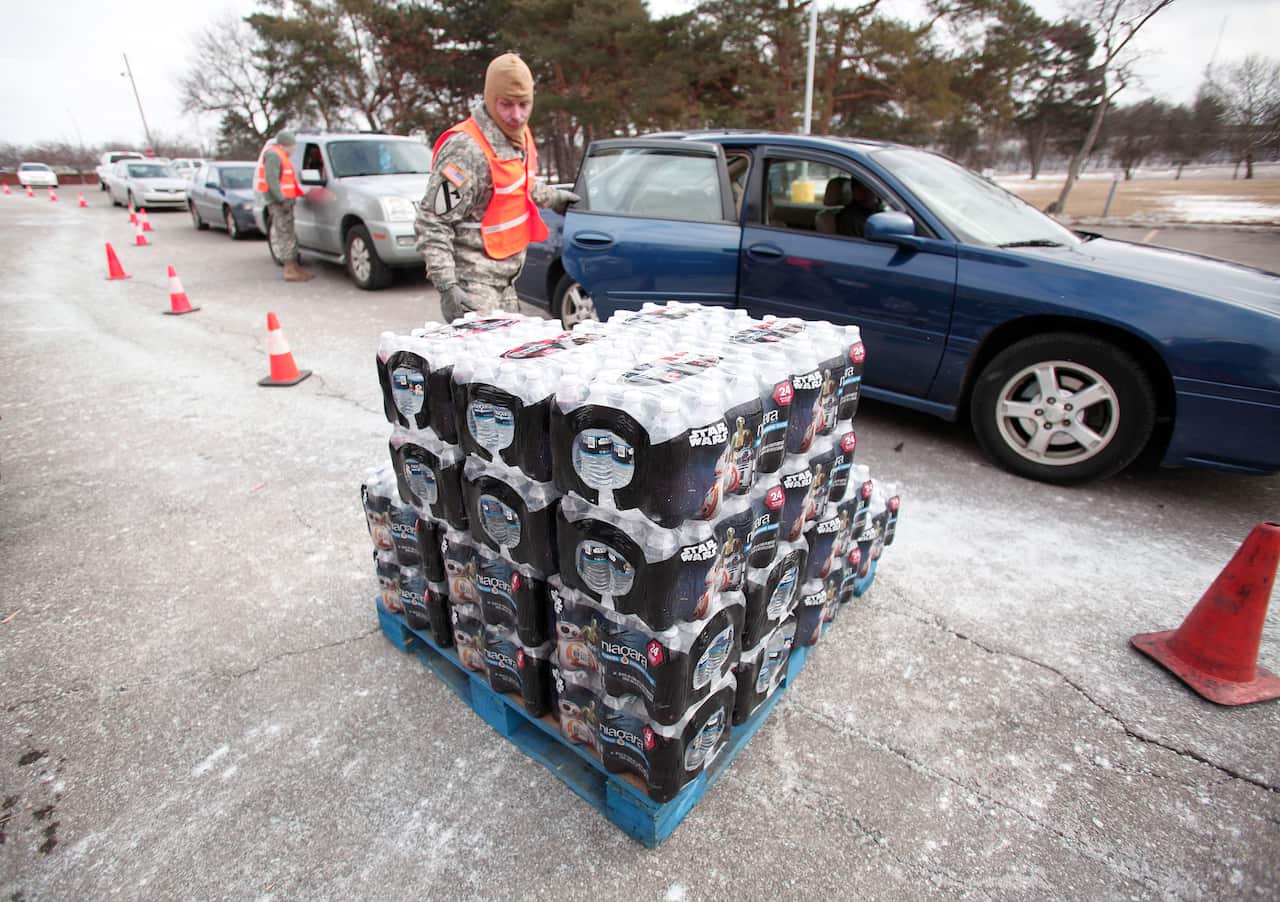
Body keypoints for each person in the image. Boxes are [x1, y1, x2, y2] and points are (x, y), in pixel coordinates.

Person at [416, 53, 578, 322]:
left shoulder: (517, 134)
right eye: (506, 105)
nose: (516, 115)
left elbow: (516, 182)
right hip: (474, 286)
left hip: (507, 280)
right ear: (491, 100)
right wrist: (447, 286)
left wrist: (554, 198)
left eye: (524, 104)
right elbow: (432, 221)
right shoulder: (466, 150)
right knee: (483, 361)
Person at [255, 131, 313, 282]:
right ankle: (290, 270)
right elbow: (272, 180)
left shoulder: (280, 155)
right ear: (286, 145)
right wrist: (282, 199)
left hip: (285, 201)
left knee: (289, 233)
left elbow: (287, 181)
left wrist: (301, 193)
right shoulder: (274, 155)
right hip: (280, 203)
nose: (294, 150)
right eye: (293, 147)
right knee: (285, 234)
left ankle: (294, 267)